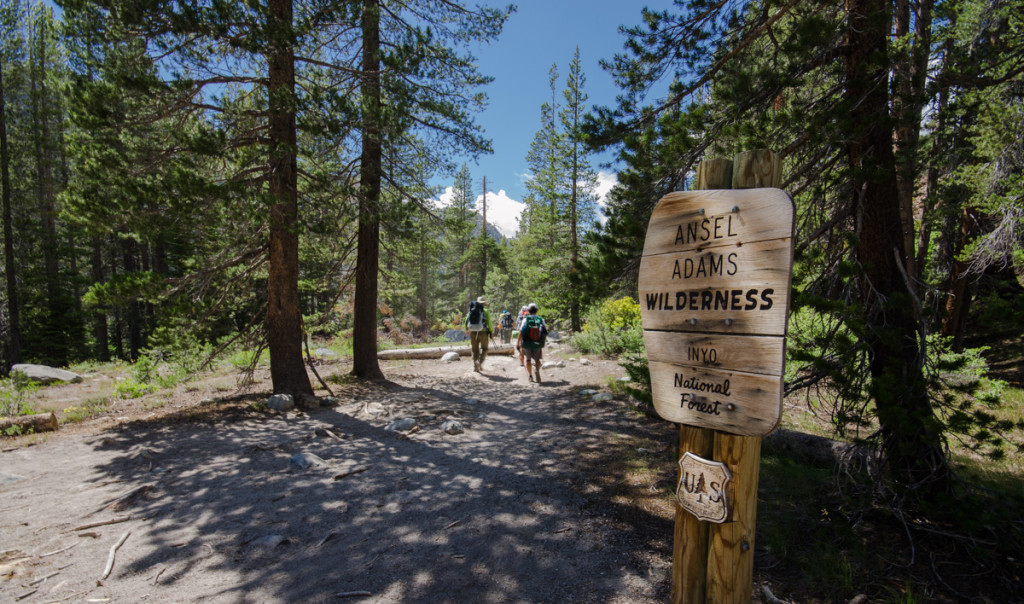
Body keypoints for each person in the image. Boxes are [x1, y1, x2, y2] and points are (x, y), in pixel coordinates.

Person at [517, 302, 547, 383]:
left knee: (528, 360)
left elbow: (520, 332)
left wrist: (518, 343)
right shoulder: (541, 319)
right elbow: (544, 331)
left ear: (529, 311)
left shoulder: (525, 319)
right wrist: (542, 342)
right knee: (537, 359)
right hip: (537, 343)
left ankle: (530, 376)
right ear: (536, 310)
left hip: (527, 343)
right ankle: (537, 370)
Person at [464, 296, 492, 372]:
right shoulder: (485, 311)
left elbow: (466, 320)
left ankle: (475, 367)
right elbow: (489, 322)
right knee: (485, 348)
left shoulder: (471, 310)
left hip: (473, 332)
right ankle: (479, 362)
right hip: (483, 332)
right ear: (484, 303)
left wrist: (467, 329)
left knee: (474, 349)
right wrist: (491, 332)